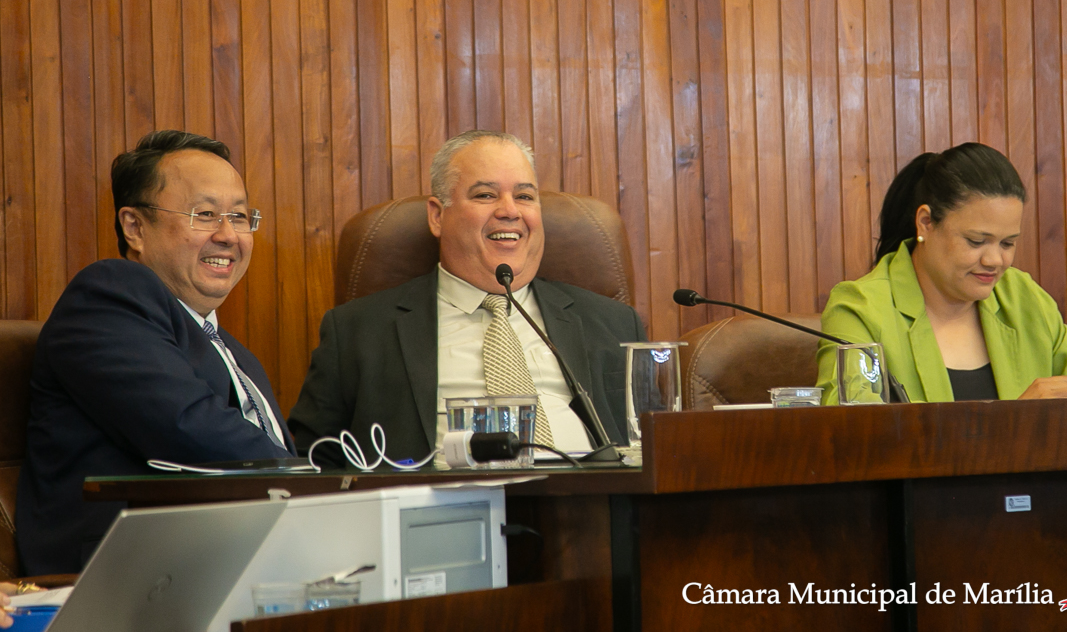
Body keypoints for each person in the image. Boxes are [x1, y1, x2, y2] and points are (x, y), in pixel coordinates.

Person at [17, 131, 293, 575]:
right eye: (205, 214)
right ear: (135, 227)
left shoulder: (235, 354)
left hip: (230, 564)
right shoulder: (107, 297)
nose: (228, 235)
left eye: (240, 217)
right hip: (127, 577)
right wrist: (319, 488)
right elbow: (189, 428)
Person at [288, 130, 645, 463]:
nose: (510, 211)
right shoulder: (357, 331)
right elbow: (312, 462)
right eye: (485, 195)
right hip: (438, 506)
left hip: (587, 502)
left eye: (524, 196)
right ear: (437, 216)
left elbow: (651, 446)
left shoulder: (613, 324)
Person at [817, 143, 1067, 404]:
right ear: (926, 223)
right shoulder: (859, 309)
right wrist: (1014, 423)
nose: (995, 260)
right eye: (976, 241)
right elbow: (857, 434)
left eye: (1008, 243)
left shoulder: (1022, 297)